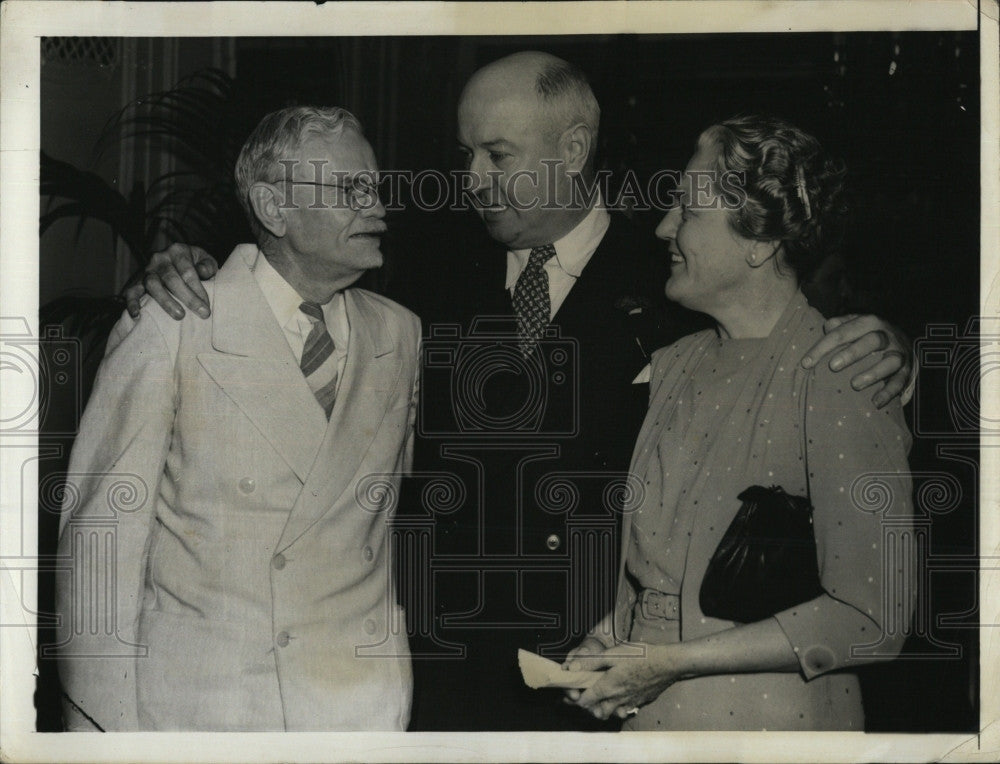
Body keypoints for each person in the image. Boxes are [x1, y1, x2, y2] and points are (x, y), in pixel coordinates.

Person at [122, 52, 911, 730]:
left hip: (614, 680)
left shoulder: (676, 274)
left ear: (572, 148)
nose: (471, 180)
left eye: (496, 156)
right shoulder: (419, 265)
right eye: (466, 154)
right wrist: (188, 268)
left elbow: (788, 339)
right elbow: (292, 288)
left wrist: (893, 352)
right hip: (440, 673)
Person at [54, 106, 420, 731]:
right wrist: (102, 733)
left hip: (361, 707)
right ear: (274, 208)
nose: (377, 207)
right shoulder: (175, 322)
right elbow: (100, 545)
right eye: (348, 190)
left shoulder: (399, 332)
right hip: (210, 711)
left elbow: (379, 523)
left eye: (375, 186)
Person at [561, 115, 915, 731]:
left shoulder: (843, 371)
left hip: (772, 728)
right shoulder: (670, 366)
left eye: (688, 213)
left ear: (760, 240)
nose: (663, 228)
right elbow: (663, 573)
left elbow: (874, 620)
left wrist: (672, 662)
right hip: (653, 722)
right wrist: (611, 638)